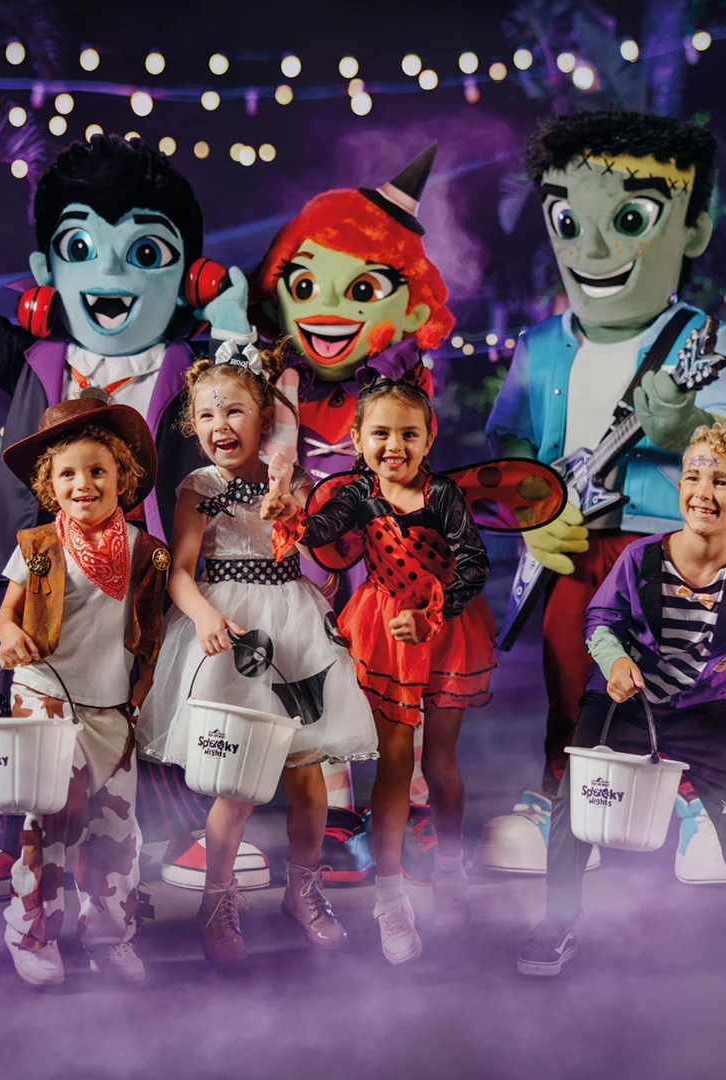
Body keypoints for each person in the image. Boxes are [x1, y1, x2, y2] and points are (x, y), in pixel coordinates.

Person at [0, 134, 267, 901]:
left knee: (162, 696)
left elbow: (238, 414)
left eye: (145, 252)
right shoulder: (35, 360)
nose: (109, 273)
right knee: (28, 692)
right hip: (40, 568)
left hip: (154, 567)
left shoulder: (188, 366)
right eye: (81, 246)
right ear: (46, 273)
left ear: (190, 277)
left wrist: (232, 332)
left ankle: (179, 831)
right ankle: (16, 833)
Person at [479, 110, 726, 884]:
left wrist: (686, 423)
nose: (591, 250)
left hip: (669, 548)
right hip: (573, 544)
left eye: (630, 219)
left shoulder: (704, 344)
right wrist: (534, 519)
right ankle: (567, 802)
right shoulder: (537, 347)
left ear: (693, 229)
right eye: (570, 221)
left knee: (678, 675)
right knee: (571, 674)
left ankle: (697, 803)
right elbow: (511, 449)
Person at [516, 420, 726, 997]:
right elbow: (600, 621)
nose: (702, 490)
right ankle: (557, 923)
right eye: (693, 475)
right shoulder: (641, 559)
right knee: (573, 806)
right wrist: (613, 664)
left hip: (704, 711)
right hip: (623, 703)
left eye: (721, 481)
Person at [136, 341, 377, 965]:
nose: (221, 426)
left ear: (264, 416)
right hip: (234, 634)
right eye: (208, 415)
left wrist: (293, 504)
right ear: (194, 422)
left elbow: (326, 553)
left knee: (308, 777)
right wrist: (205, 614)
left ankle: (304, 891)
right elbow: (180, 573)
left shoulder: (294, 479)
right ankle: (217, 902)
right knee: (236, 785)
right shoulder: (197, 486)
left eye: (235, 411)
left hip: (293, 628)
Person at [249, 144, 451, 884]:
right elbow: (275, 451)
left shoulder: (403, 384)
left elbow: (417, 460)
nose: (328, 308)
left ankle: (411, 800)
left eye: (363, 286)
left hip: (387, 549)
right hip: (310, 547)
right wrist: (285, 488)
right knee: (312, 672)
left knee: (394, 665)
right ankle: (336, 812)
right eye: (306, 282)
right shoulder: (285, 382)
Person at [297, 378, 495, 964]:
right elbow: (322, 534)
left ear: (428, 436)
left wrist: (433, 613)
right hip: (384, 633)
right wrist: (293, 514)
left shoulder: (443, 497)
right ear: (357, 439)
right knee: (394, 763)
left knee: (439, 765)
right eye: (380, 433)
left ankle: (451, 868)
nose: (394, 446)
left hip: (445, 631)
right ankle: (390, 900)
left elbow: (475, 563)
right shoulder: (359, 492)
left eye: (409, 434)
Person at [0, 392, 171, 987]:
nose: (83, 484)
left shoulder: (147, 551)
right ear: (50, 483)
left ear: (124, 477)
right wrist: (8, 635)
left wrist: (141, 697)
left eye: (98, 470)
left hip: (111, 706)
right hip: (44, 695)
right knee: (48, 820)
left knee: (115, 831)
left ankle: (110, 938)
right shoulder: (41, 547)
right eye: (68, 473)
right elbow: (6, 615)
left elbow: (150, 630)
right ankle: (30, 930)